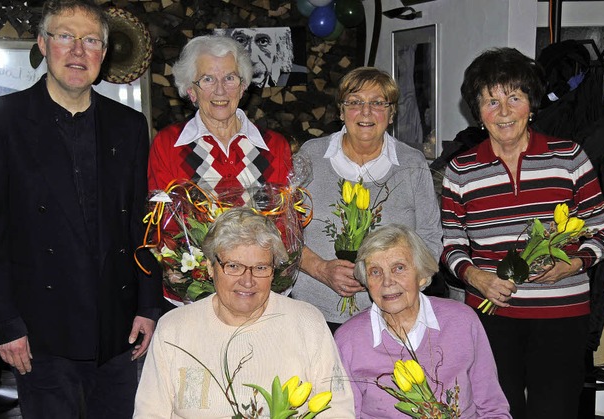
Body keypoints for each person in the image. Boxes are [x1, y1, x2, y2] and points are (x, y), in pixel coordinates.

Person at [0, 1, 162, 417]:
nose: (78, 51)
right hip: (40, 332)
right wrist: (4, 323)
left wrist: (147, 306)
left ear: (104, 52)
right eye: (65, 36)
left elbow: (141, 222)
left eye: (91, 40)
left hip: (116, 329)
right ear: (43, 44)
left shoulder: (128, 126)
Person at [441, 47, 604, 419]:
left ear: (531, 104)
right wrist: (476, 277)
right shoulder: (461, 169)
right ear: (478, 111)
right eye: (491, 101)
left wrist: (573, 263)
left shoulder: (570, 157)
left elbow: (603, 231)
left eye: (514, 98)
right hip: (492, 316)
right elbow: (451, 245)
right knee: (498, 412)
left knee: (554, 412)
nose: (503, 112)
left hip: (561, 316)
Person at [134, 208, 355, 418]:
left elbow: (338, 410)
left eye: (260, 268)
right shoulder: (174, 328)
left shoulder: (307, 321)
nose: (247, 281)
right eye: (233, 266)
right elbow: (149, 414)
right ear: (211, 268)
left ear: (273, 271)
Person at [292, 67, 443, 332]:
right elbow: (284, 230)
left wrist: (398, 286)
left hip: (390, 316)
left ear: (391, 113)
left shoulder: (412, 163)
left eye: (377, 103)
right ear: (340, 111)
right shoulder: (310, 156)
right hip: (313, 313)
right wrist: (320, 269)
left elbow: (430, 237)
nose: (366, 112)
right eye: (354, 102)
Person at [147, 34, 293, 307]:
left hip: (261, 294)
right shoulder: (168, 145)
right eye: (207, 80)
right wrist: (196, 275)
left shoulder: (274, 146)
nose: (220, 90)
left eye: (229, 78)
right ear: (192, 91)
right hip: (195, 296)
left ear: (243, 85)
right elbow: (163, 225)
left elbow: (284, 226)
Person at [335, 224, 510, 418]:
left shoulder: (461, 321)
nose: (387, 282)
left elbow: (493, 408)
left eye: (398, 268)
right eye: (375, 272)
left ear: (421, 275)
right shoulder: (349, 339)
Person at [215, 27, 298, 88]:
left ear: (278, 48)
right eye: (240, 40)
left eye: (263, 42)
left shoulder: (293, 78)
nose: (252, 58)